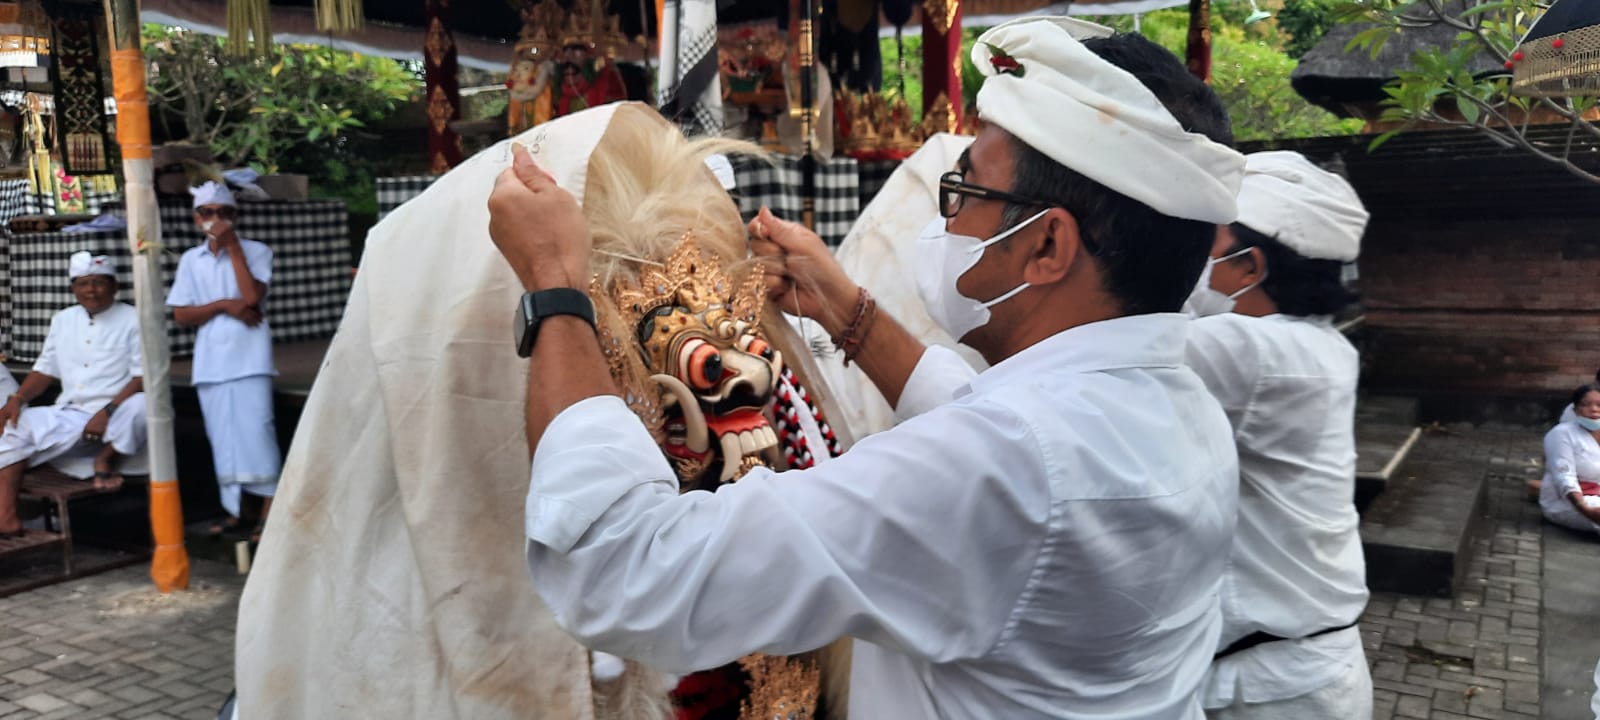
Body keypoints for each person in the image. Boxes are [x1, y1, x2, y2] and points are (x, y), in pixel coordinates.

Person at [491, 17, 1247, 718]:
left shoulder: (1005, 466)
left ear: (1048, 245)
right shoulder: (1179, 404)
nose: (946, 219)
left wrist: (556, 286)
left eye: (964, 192)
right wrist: (847, 311)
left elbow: (622, 569)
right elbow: (988, 424)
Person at [1182, 151, 1373, 719]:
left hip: (1273, 687)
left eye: (1208, 248)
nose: (1195, 264)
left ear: (1250, 267)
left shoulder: (1253, 350)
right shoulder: (1321, 344)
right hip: (1303, 668)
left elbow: (1095, 345)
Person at [0, 252, 147, 536]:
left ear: (115, 286)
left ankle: (106, 459)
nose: (91, 290)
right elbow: (44, 371)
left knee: (143, 405)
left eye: (99, 282)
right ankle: (6, 517)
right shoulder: (63, 320)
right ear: (73, 289)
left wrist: (108, 411)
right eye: (83, 283)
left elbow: (143, 377)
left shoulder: (135, 319)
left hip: (119, 412)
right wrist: (16, 400)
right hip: (72, 413)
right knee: (10, 427)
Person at [166, 181, 280, 541]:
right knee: (223, 438)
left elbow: (251, 297)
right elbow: (182, 314)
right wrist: (223, 305)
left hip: (250, 357)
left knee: (257, 432)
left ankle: (270, 509)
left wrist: (232, 248)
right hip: (211, 362)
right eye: (208, 212)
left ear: (236, 216)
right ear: (196, 218)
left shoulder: (257, 251)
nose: (216, 219)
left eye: (224, 212)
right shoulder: (191, 260)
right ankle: (237, 510)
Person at [1540, 384, 1600, 536]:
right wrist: (1584, 508)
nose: (1594, 409)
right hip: (1567, 502)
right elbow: (1565, 477)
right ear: (1575, 410)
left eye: (1599, 405)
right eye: (1586, 404)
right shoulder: (1561, 434)